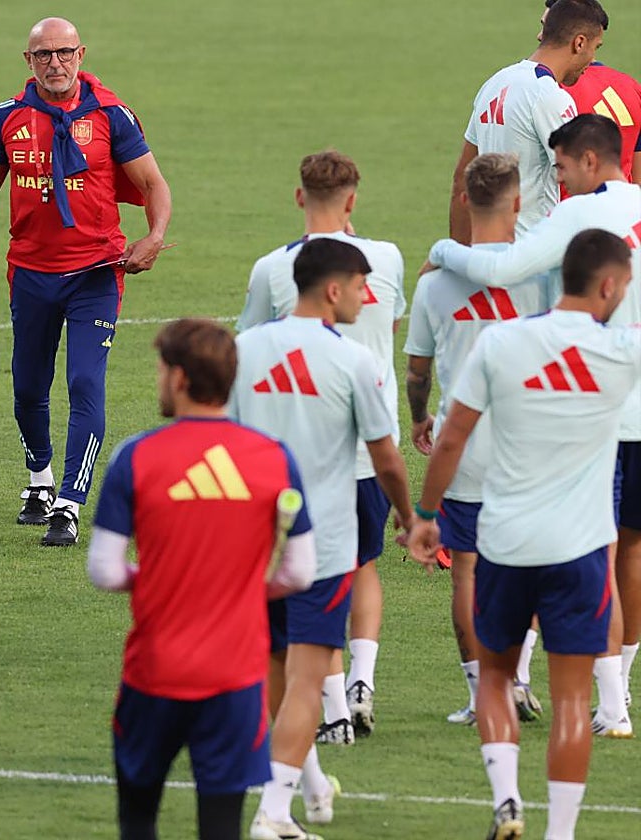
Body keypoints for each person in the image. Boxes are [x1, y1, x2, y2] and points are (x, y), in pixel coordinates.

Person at [408, 229, 640, 840]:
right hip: (582, 550)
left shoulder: (501, 343)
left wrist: (426, 515)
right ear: (610, 285)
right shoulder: (624, 351)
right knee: (568, 700)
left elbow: (451, 437)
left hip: (504, 542)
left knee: (493, 677)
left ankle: (507, 801)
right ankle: (559, 833)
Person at [428, 114, 641, 736]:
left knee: (592, 549)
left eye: (565, 168)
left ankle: (610, 704)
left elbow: (501, 270)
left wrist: (440, 252)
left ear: (590, 161)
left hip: (604, 404)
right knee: (630, 547)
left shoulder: (579, 216)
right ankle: (619, 687)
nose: (561, 181)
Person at [89, 319, 315, 840]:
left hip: (154, 673)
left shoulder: (135, 456)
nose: (158, 380)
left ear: (182, 380)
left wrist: (159, 580)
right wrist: (241, 587)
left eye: (161, 370)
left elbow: (103, 569)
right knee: (221, 827)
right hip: (235, 677)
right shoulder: (274, 457)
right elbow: (301, 570)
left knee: (138, 818)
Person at [0, 16, 172, 547]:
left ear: (82, 55)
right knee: (28, 385)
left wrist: (154, 236)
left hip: (96, 272)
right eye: (44, 55)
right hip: (30, 273)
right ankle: (39, 479)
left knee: (84, 382)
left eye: (65, 53)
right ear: (28, 62)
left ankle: (69, 503)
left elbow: (152, 183)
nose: (56, 63)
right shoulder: (8, 119)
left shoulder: (113, 117)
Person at [229, 239, 414, 840]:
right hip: (323, 548)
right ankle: (273, 812)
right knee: (308, 678)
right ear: (333, 290)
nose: (368, 296)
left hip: (253, 545)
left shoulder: (242, 352)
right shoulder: (353, 362)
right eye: (362, 286)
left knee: (274, 668)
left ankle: (303, 783)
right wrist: (410, 517)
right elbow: (385, 458)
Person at [237, 149, 407, 743]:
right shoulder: (386, 259)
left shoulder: (271, 269)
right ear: (354, 199)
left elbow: (249, 342)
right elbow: (387, 334)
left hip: (300, 447)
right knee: (359, 566)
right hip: (371, 442)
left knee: (309, 578)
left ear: (298, 197)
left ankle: (330, 708)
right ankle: (360, 679)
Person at [404, 154, 553, 727]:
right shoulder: (542, 276)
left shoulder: (436, 283)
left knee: (465, 571)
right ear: (518, 203)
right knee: (531, 565)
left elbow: (418, 370)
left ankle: (479, 694)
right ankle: (518, 678)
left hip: (462, 449)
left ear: (464, 201)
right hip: (532, 446)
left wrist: (419, 417)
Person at [447, 0, 605, 243]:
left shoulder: (494, 83)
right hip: (532, 255)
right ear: (579, 42)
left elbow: (462, 178)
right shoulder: (550, 96)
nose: (592, 60)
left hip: (487, 252)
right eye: (595, 48)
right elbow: (582, 179)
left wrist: (458, 253)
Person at [541, 0, 641, 184]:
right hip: (625, 209)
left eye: (546, 27)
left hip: (569, 210)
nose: (540, 36)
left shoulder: (549, 91)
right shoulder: (631, 87)